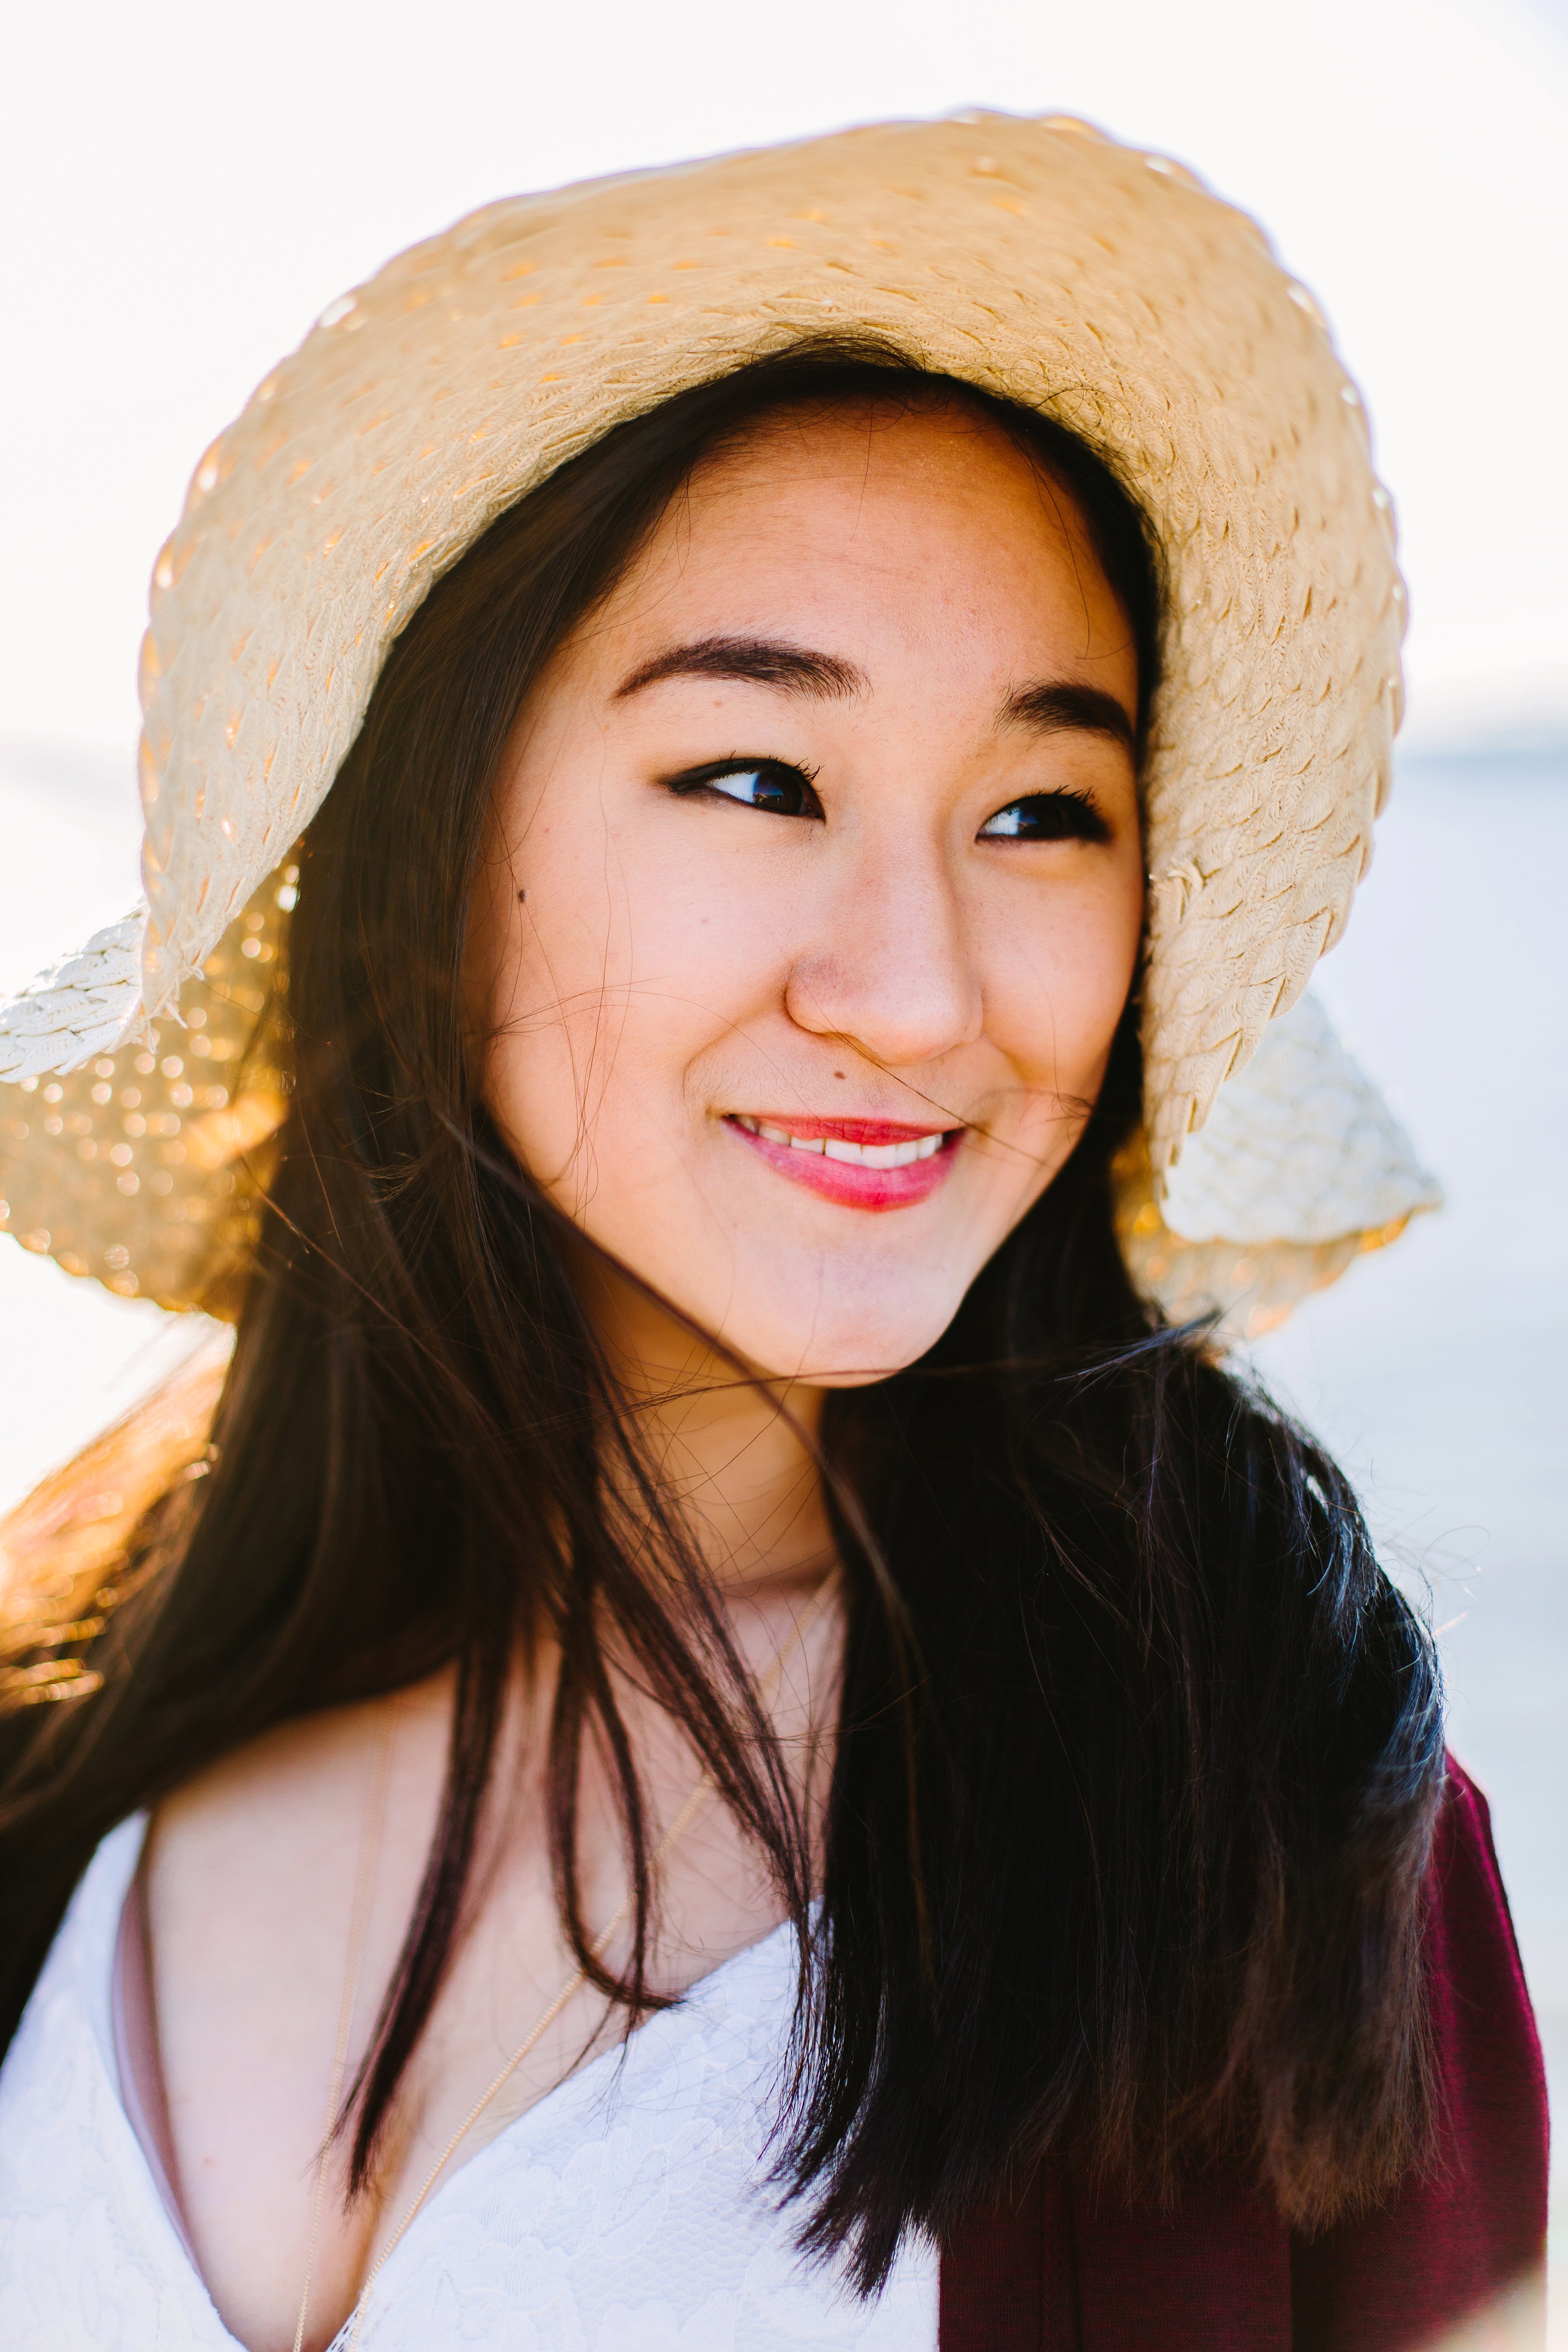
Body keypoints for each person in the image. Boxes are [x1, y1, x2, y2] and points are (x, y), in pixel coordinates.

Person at [0, 113, 1547, 2352]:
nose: (913, 989)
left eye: (1040, 811)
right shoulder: (68, 1749)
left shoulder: (1255, 1824)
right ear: (434, 859)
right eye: (754, 776)